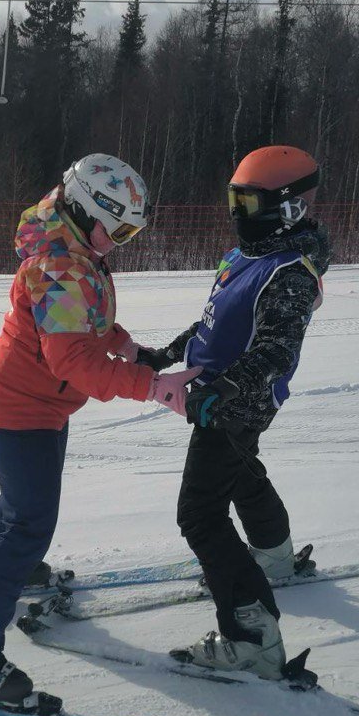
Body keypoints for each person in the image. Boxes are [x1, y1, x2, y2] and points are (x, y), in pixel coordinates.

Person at [0, 153, 200, 708]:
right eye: (117, 227)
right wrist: (151, 385)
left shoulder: (72, 247)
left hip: (36, 407)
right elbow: (73, 360)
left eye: (131, 231)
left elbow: (85, 317)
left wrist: (126, 345)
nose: (121, 241)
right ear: (82, 206)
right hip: (21, 410)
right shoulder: (60, 266)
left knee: (17, 513)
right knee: (27, 527)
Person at [134, 145, 330, 680]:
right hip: (222, 396)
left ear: (286, 207)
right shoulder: (249, 255)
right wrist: (167, 355)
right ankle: (273, 555)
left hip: (235, 404)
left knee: (199, 515)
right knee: (243, 475)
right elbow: (213, 322)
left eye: (249, 202)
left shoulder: (290, 271)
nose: (237, 213)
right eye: (234, 200)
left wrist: (222, 388)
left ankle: (252, 637)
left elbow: (274, 350)